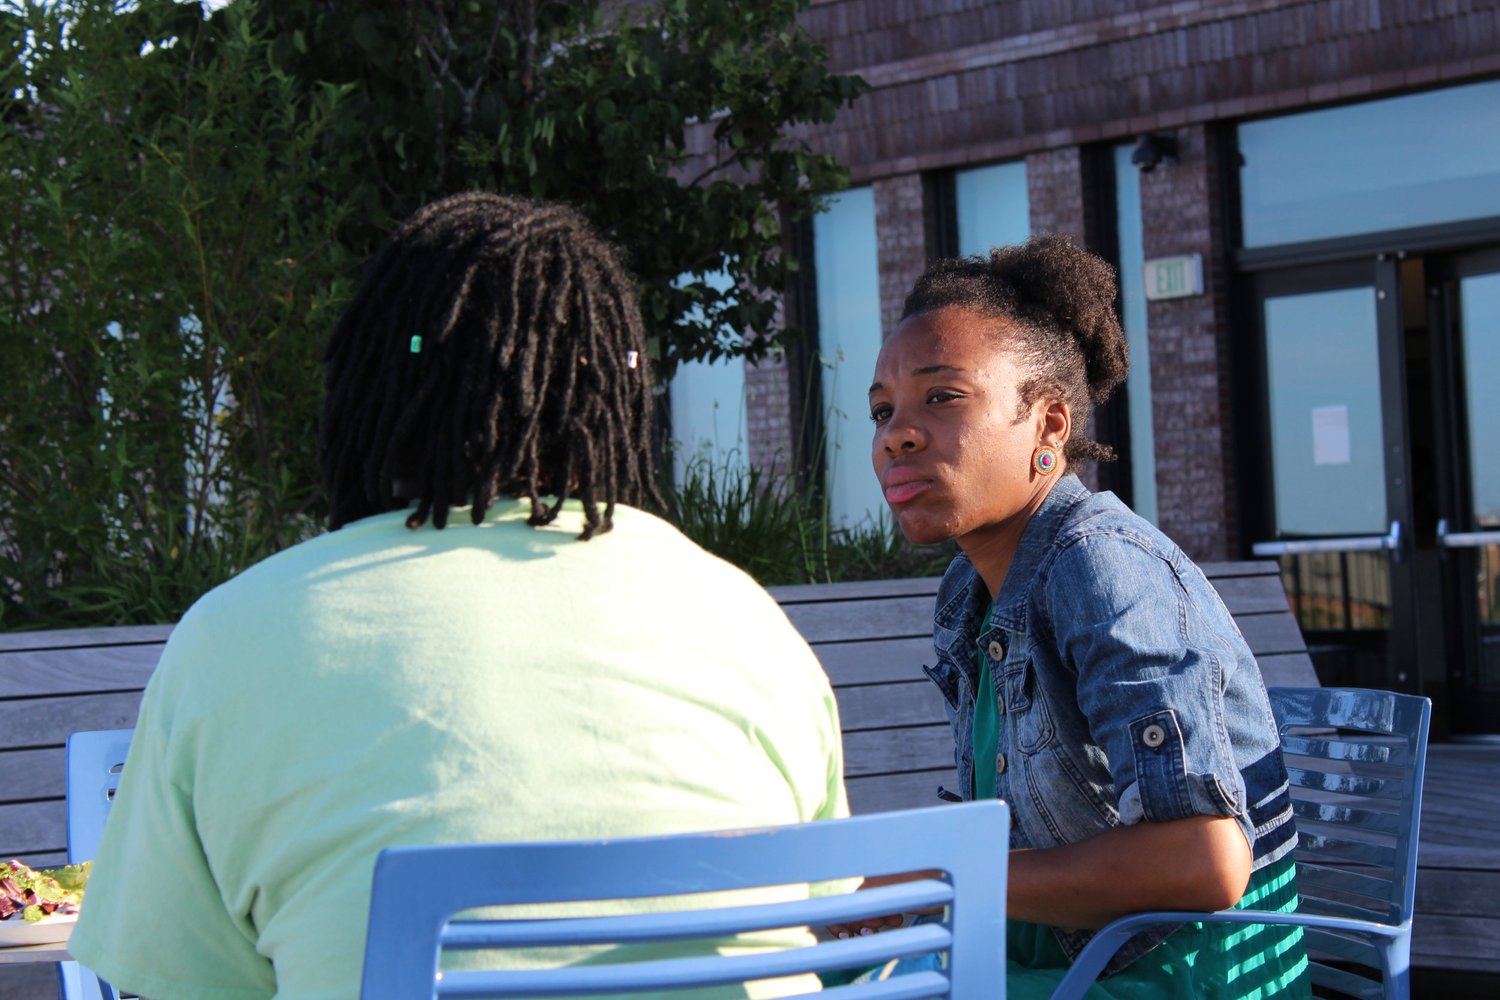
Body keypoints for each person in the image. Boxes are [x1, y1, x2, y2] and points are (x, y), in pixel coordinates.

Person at [68, 192, 849, 999]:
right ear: (613, 398)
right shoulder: (745, 618)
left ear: (372, 388)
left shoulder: (233, 636)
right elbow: (826, 906)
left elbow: (191, 984)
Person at [861, 235, 1310, 997]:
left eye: (942, 397)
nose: (896, 434)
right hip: (1059, 957)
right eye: (882, 410)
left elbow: (1203, 862)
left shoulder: (1102, 568)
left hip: (1164, 976)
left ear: (1049, 424)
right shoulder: (970, 590)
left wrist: (945, 878)